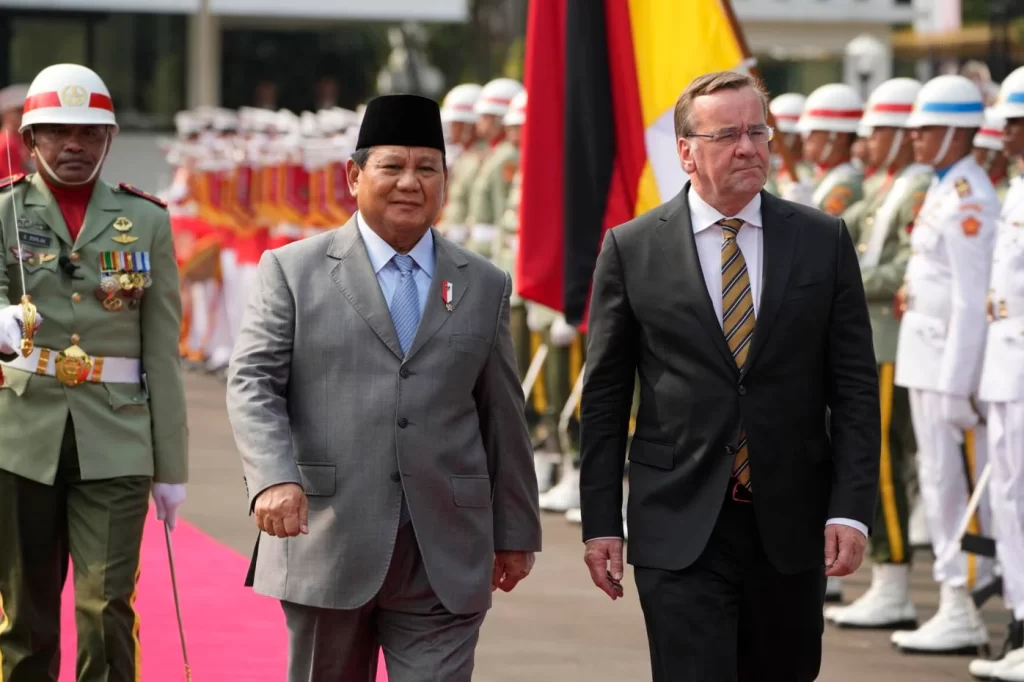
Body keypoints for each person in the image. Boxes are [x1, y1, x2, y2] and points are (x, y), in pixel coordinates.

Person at [226, 93, 542, 682]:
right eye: (392, 166)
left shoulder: (484, 283)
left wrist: (516, 528)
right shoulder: (293, 270)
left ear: (445, 180)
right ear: (354, 176)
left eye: (427, 169)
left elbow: (502, 412)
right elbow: (253, 383)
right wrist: (272, 477)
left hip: (443, 549)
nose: (410, 183)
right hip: (327, 534)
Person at [578, 70, 880, 682]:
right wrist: (602, 521)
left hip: (791, 527)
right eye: (728, 136)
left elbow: (854, 389)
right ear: (686, 152)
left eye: (757, 132)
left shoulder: (822, 240)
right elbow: (605, 398)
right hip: (679, 524)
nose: (748, 148)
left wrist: (850, 510)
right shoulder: (632, 248)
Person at [0, 63, 188, 681]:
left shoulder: (148, 220)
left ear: (109, 138)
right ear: (31, 139)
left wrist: (171, 467)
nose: (73, 145)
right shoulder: (4, 210)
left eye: (88, 132)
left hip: (118, 436)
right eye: (57, 132)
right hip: (21, 435)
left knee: (106, 607)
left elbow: (161, 351)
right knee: (25, 615)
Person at [891, 74, 999, 656]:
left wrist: (960, 384)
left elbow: (969, 299)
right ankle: (954, 600)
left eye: (926, 129)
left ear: (957, 133)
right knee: (936, 482)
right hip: (926, 356)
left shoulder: (968, 198)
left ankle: (963, 604)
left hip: (946, 366)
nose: (915, 137)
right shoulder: (943, 188)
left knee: (954, 487)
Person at [825, 77, 933, 628]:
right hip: (870, 337)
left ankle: (895, 578)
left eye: (878, 132)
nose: (866, 143)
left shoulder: (916, 189)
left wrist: (845, 279)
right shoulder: (887, 187)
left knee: (886, 459)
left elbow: (904, 268)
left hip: (890, 340)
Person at [968, 64, 1024, 682]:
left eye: (1015, 122)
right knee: (1009, 496)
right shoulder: (1015, 188)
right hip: (1007, 363)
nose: (1005, 134)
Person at [794, 82, 866, 219]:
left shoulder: (847, 183)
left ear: (839, 137)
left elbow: (825, 227)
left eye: (814, 131)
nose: (805, 138)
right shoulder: (823, 175)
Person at [0, 84, 31, 178]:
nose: (23, 115)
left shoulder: (18, 140)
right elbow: (15, 179)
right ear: (5, 114)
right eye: (18, 112)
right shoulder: (6, 144)